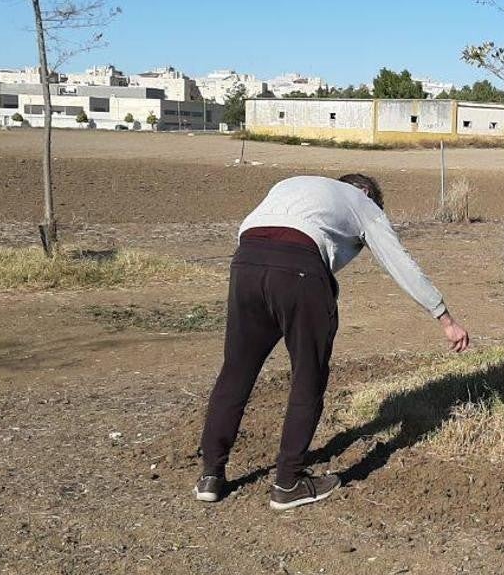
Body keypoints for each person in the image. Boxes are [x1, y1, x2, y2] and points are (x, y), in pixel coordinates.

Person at [195, 174, 471, 510]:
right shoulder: (363, 204)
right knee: (307, 376)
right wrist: (444, 317)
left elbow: (258, 228)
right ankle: (288, 482)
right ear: (367, 193)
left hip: (246, 263)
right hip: (298, 270)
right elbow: (399, 262)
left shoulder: (293, 184)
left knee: (236, 371)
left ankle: (211, 474)